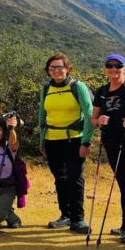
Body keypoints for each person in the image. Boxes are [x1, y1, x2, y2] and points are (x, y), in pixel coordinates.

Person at [37, 51, 94, 234]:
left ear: (67, 68)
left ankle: (78, 219)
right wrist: (42, 141)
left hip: (74, 139)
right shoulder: (46, 88)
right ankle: (65, 215)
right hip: (52, 139)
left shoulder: (78, 87)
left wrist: (86, 142)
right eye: (52, 68)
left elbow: (89, 114)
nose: (56, 71)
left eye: (60, 67)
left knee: (74, 178)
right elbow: (42, 115)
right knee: (60, 179)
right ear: (48, 71)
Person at [91, 54, 125, 243]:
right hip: (111, 141)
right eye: (109, 66)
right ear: (105, 69)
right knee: (123, 182)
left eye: (118, 65)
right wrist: (99, 121)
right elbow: (93, 118)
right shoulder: (101, 91)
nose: (114, 69)